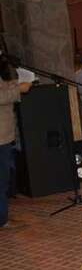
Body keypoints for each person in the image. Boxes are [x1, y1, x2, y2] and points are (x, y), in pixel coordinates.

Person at [1, 59, 32, 229]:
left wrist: (14, 83)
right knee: (2, 179)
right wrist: (18, 89)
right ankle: (2, 220)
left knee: (3, 178)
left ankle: (2, 218)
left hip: (3, 136)